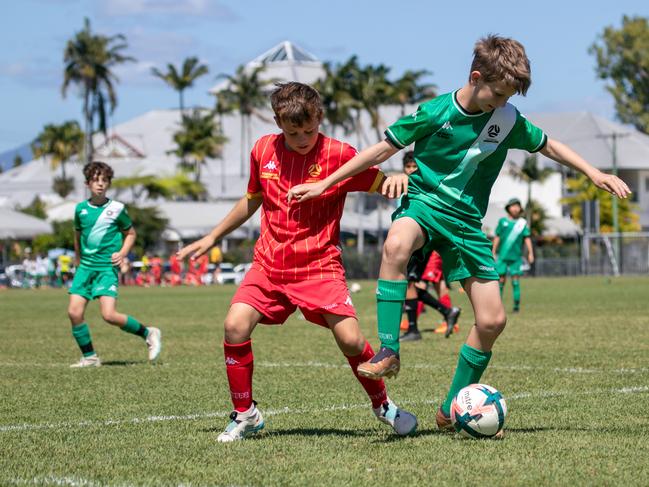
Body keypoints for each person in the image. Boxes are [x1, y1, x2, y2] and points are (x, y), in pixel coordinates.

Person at [287, 35, 631, 435]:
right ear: (476, 76)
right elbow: (380, 151)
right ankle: (389, 350)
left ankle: (452, 408)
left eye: (507, 98)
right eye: (497, 94)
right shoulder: (435, 111)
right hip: (425, 206)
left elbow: (548, 145)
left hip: (466, 224)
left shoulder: (506, 121)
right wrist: (324, 183)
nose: (500, 105)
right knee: (396, 243)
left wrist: (595, 173)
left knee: (493, 320)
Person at [178, 82, 417, 442]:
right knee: (234, 326)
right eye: (293, 132)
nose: (303, 137)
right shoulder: (263, 150)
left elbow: (380, 183)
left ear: (320, 117)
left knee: (351, 341)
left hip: (319, 266)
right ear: (278, 122)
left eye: (309, 129)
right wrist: (214, 236)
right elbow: (252, 199)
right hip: (269, 264)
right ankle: (245, 414)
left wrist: (398, 177)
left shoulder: (339, 154)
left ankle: (383, 406)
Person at [67, 161, 162, 368]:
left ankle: (148, 333)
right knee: (74, 312)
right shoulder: (80, 209)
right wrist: (77, 258)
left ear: (109, 183)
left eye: (104, 180)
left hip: (105, 268)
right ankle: (90, 357)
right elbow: (77, 235)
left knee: (108, 315)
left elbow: (131, 233)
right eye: (95, 180)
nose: (100, 184)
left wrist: (123, 253)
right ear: (87, 183)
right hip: (85, 267)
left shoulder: (117, 208)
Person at [399, 151, 461, 341]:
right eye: (408, 167)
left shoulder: (425, 185)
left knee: (411, 282)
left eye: (414, 167)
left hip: (422, 242)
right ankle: (447, 312)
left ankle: (413, 329)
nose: (410, 170)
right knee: (412, 285)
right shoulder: (405, 185)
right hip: (412, 241)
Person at [493, 198, 534, 312]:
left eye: (517, 206)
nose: (515, 208)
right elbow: (497, 236)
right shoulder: (502, 221)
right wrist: (493, 251)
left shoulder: (522, 223)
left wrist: (530, 253)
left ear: (520, 208)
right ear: (508, 208)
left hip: (516, 257)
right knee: (501, 281)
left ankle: (516, 307)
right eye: (513, 206)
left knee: (515, 281)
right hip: (502, 257)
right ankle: (498, 308)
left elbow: (527, 238)